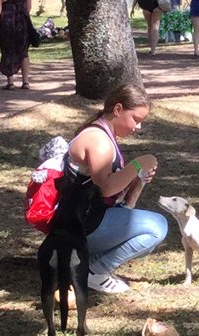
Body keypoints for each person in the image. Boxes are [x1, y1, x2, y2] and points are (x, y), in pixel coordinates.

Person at [64, 83, 168, 294]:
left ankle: (81, 262)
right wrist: (138, 164)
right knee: (157, 227)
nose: (137, 127)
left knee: (153, 228)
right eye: (136, 120)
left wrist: (137, 179)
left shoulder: (101, 132)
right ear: (118, 109)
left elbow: (114, 194)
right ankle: (95, 271)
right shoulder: (98, 140)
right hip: (79, 225)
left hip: (82, 220)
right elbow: (106, 189)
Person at [0, 0, 31, 90]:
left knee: (7, 51)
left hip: (7, 22)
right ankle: (25, 82)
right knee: (24, 51)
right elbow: (28, 6)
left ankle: (10, 83)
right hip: (22, 22)